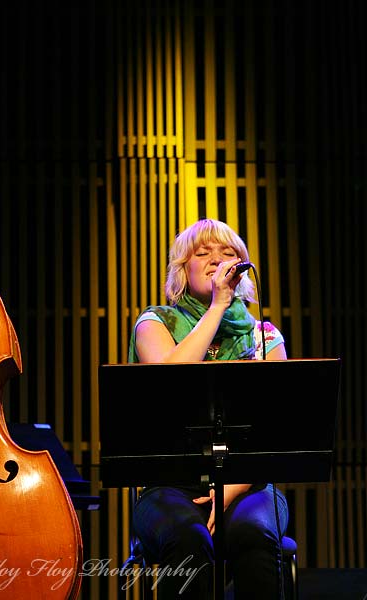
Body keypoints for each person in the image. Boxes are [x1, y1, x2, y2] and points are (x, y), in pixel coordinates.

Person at [127, 218, 289, 599]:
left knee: (254, 534)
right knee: (187, 537)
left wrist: (228, 492)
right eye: (203, 253)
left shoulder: (264, 336)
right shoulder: (155, 323)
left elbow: (275, 429)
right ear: (182, 271)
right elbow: (170, 385)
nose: (218, 259)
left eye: (229, 253)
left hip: (248, 482)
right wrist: (217, 306)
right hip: (169, 484)